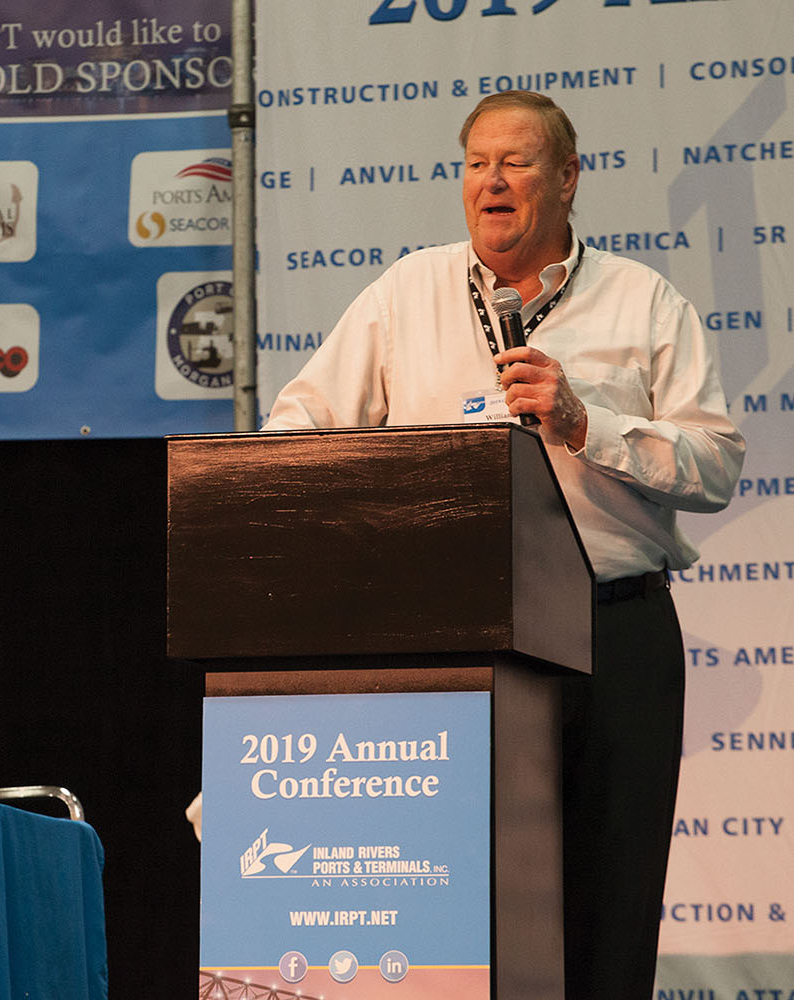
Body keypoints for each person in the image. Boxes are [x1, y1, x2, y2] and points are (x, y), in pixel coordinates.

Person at [264, 91, 746, 999]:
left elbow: (715, 465)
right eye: (476, 162)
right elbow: (301, 430)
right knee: (460, 907)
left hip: (615, 634)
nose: (492, 181)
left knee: (611, 897)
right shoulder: (407, 292)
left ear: (567, 178)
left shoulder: (643, 302)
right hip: (455, 646)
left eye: (516, 162)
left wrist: (582, 422)